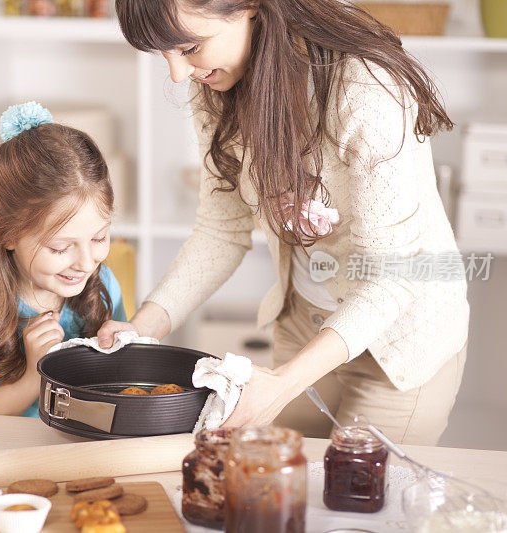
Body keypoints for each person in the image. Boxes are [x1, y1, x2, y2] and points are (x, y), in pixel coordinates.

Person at [98, 0, 469, 445]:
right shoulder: (216, 83)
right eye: (165, 53)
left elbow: (393, 277)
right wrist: (143, 328)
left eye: (191, 46)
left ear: (249, 6)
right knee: (286, 491)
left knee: (358, 500)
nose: (179, 74)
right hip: (304, 323)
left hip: (399, 342)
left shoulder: (366, 87)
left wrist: (283, 382)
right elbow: (221, 228)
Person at [0, 102, 126, 416]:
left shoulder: (103, 286)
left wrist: (128, 357)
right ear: (7, 234)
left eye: (98, 238)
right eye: (60, 248)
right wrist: (32, 380)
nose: (86, 262)